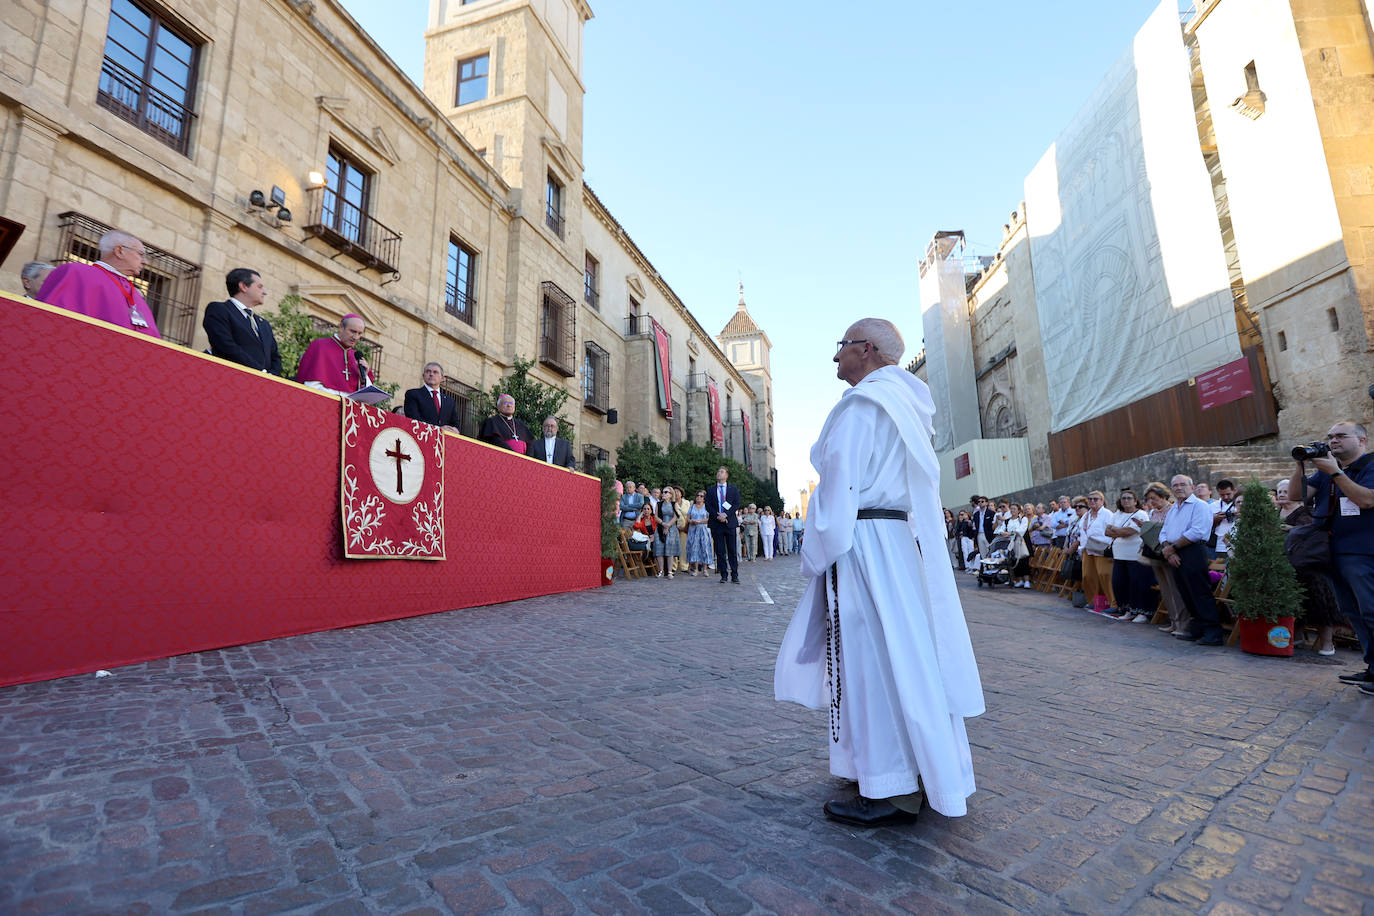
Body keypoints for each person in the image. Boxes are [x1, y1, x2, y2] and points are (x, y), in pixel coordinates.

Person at [775, 318, 983, 826]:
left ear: (865, 350)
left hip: (864, 542)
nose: (835, 358)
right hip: (894, 542)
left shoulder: (863, 405)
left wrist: (819, 548)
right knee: (905, 657)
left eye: (841, 346)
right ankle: (896, 769)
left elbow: (840, 486)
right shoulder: (906, 404)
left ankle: (892, 787)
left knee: (873, 661)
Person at [1287, 422, 1374, 689]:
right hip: (1331, 553)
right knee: (1353, 612)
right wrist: (1302, 464)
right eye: (1330, 437)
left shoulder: (1369, 466)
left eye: (1340, 436)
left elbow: (1367, 500)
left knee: (1371, 610)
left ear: (1361, 440)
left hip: (1363, 552)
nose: (1333, 441)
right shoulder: (1326, 469)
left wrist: (1336, 472)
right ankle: (1372, 668)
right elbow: (1295, 495)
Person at [37, 230, 160, 337]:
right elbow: (51, 323)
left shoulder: (136, 294)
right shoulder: (75, 273)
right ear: (119, 251)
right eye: (140, 254)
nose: (145, 262)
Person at [1276, 478, 1343, 656]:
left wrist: (1288, 529)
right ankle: (1296, 637)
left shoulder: (1307, 511)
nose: (1282, 494)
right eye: (1279, 492)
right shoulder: (1276, 512)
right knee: (1296, 604)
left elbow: (1311, 532)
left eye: (1285, 491)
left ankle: (1327, 644)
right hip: (1287, 564)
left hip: (1310, 565)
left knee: (1320, 605)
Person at [1159, 475, 1226, 646]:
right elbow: (1164, 532)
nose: (1179, 488)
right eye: (1175, 485)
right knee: (1185, 592)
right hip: (1175, 551)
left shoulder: (1200, 506)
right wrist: (1169, 550)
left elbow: (1197, 531)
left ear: (1192, 487)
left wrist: (1172, 549)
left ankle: (1213, 633)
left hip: (1193, 551)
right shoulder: (1174, 508)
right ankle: (1197, 630)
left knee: (1200, 592)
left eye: (1183, 484)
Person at [203, 268, 283, 375]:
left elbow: (275, 357)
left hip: (262, 386)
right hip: (229, 378)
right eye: (259, 287)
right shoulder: (219, 310)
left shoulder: (264, 324)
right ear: (243, 286)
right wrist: (259, 372)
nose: (265, 292)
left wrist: (271, 376)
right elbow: (225, 345)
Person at [1140, 482, 1189, 636]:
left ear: (1163, 496)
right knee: (1165, 590)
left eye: (1153, 498)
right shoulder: (1153, 513)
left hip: (1170, 553)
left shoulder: (1173, 510)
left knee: (1175, 590)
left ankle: (1183, 624)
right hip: (1156, 554)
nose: (1151, 502)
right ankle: (1173, 621)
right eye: (1149, 499)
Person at [1104, 490, 1153, 622]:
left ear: (1135, 501)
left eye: (1129, 498)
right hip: (1119, 555)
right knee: (1119, 583)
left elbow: (1129, 532)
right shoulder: (1116, 514)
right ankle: (1127, 610)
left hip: (1135, 555)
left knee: (1137, 584)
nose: (1126, 500)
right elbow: (1107, 532)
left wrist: (1116, 530)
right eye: (1123, 498)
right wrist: (1118, 531)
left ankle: (1141, 612)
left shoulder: (1141, 514)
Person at [296, 314, 367, 395]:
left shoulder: (356, 357)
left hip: (348, 406)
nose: (355, 337)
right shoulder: (320, 345)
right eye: (352, 331)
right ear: (341, 327)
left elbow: (364, 396)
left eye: (359, 333)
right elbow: (311, 385)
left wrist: (363, 378)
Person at [1077, 491, 1115, 612]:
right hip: (1087, 549)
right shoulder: (1086, 515)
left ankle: (1114, 603)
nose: (1092, 501)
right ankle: (1094, 601)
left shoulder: (1107, 514)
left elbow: (1111, 532)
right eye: (1090, 499)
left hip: (1101, 549)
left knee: (1105, 575)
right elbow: (1081, 532)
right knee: (1088, 576)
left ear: (1102, 501)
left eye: (1095, 499)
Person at [704, 466, 741, 584]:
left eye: (722, 472)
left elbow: (736, 504)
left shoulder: (733, 489)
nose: (719, 473)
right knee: (720, 551)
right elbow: (708, 505)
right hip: (716, 523)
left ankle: (734, 575)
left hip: (729, 523)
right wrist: (717, 516)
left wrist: (726, 515)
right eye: (718, 471)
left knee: (732, 550)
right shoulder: (710, 490)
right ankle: (723, 574)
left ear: (726, 475)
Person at [403, 362, 462, 431]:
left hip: (444, 440)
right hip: (420, 436)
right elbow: (414, 419)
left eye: (435, 372)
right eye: (428, 371)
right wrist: (438, 429)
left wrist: (455, 430)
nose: (431, 374)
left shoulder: (449, 401)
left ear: (442, 378)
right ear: (423, 375)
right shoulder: (413, 394)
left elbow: (455, 424)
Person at [653, 483, 680, 578]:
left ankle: (669, 571)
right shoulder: (659, 504)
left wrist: (668, 525)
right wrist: (663, 524)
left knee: (669, 549)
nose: (663, 494)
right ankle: (661, 570)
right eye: (663, 492)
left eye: (666, 492)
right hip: (660, 526)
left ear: (670, 494)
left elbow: (676, 516)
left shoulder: (674, 504)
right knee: (659, 548)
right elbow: (655, 516)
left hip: (671, 528)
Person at [685, 490, 712, 576]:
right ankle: (695, 569)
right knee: (694, 548)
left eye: (701, 496)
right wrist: (691, 521)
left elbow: (709, 518)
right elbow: (687, 518)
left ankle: (705, 569)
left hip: (704, 529)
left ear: (704, 498)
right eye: (698, 495)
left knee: (705, 548)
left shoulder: (707, 506)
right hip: (693, 529)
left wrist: (699, 521)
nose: (699, 497)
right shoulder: (692, 506)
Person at [1210, 479, 1239, 560]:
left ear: (1235, 490)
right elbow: (1205, 525)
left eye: (1228, 494)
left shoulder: (1240, 503)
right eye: (1222, 495)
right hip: (1219, 545)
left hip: (1238, 545)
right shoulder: (1212, 506)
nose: (1225, 497)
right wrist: (1216, 519)